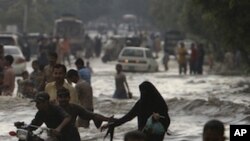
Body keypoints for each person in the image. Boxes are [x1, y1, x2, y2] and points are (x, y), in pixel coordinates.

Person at [101, 81, 170, 141]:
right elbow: (127, 117)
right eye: (142, 92)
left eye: (145, 92)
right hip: (142, 135)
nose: (144, 94)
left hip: (156, 136)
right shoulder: (140, 104)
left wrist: (157, 119)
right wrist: (112, 124)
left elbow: (167, 120)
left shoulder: (159, 104)